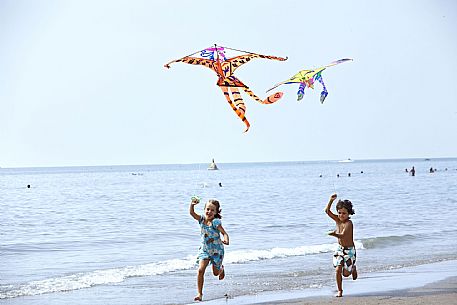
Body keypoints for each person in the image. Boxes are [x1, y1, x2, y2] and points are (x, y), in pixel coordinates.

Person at [189, 197, 229, 302]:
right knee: (200, 270)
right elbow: (192, 214)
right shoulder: (201, 219)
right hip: (205, 250)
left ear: (216, 212)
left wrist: (226, 240)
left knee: (215, 273)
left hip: (217, 251)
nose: (209, 212)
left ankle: (221, 269)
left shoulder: (216, 222)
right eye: (207, 209)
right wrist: (192, 205)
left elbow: (224, 233)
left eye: (212, 210)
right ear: (204, 209)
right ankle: (199, 294)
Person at [324, 194, 357, 297]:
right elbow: (327, 211)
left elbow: (342, 236)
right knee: (338, 269)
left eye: (344, 213)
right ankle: (340, 291)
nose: (341, 215)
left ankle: (353, 269)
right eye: (339, 213)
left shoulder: (349, 223)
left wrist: (334, 234)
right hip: (340, 249)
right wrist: (331, 200)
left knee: (346, 274)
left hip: (349, 251)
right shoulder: (337, 220)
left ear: (349, 213)